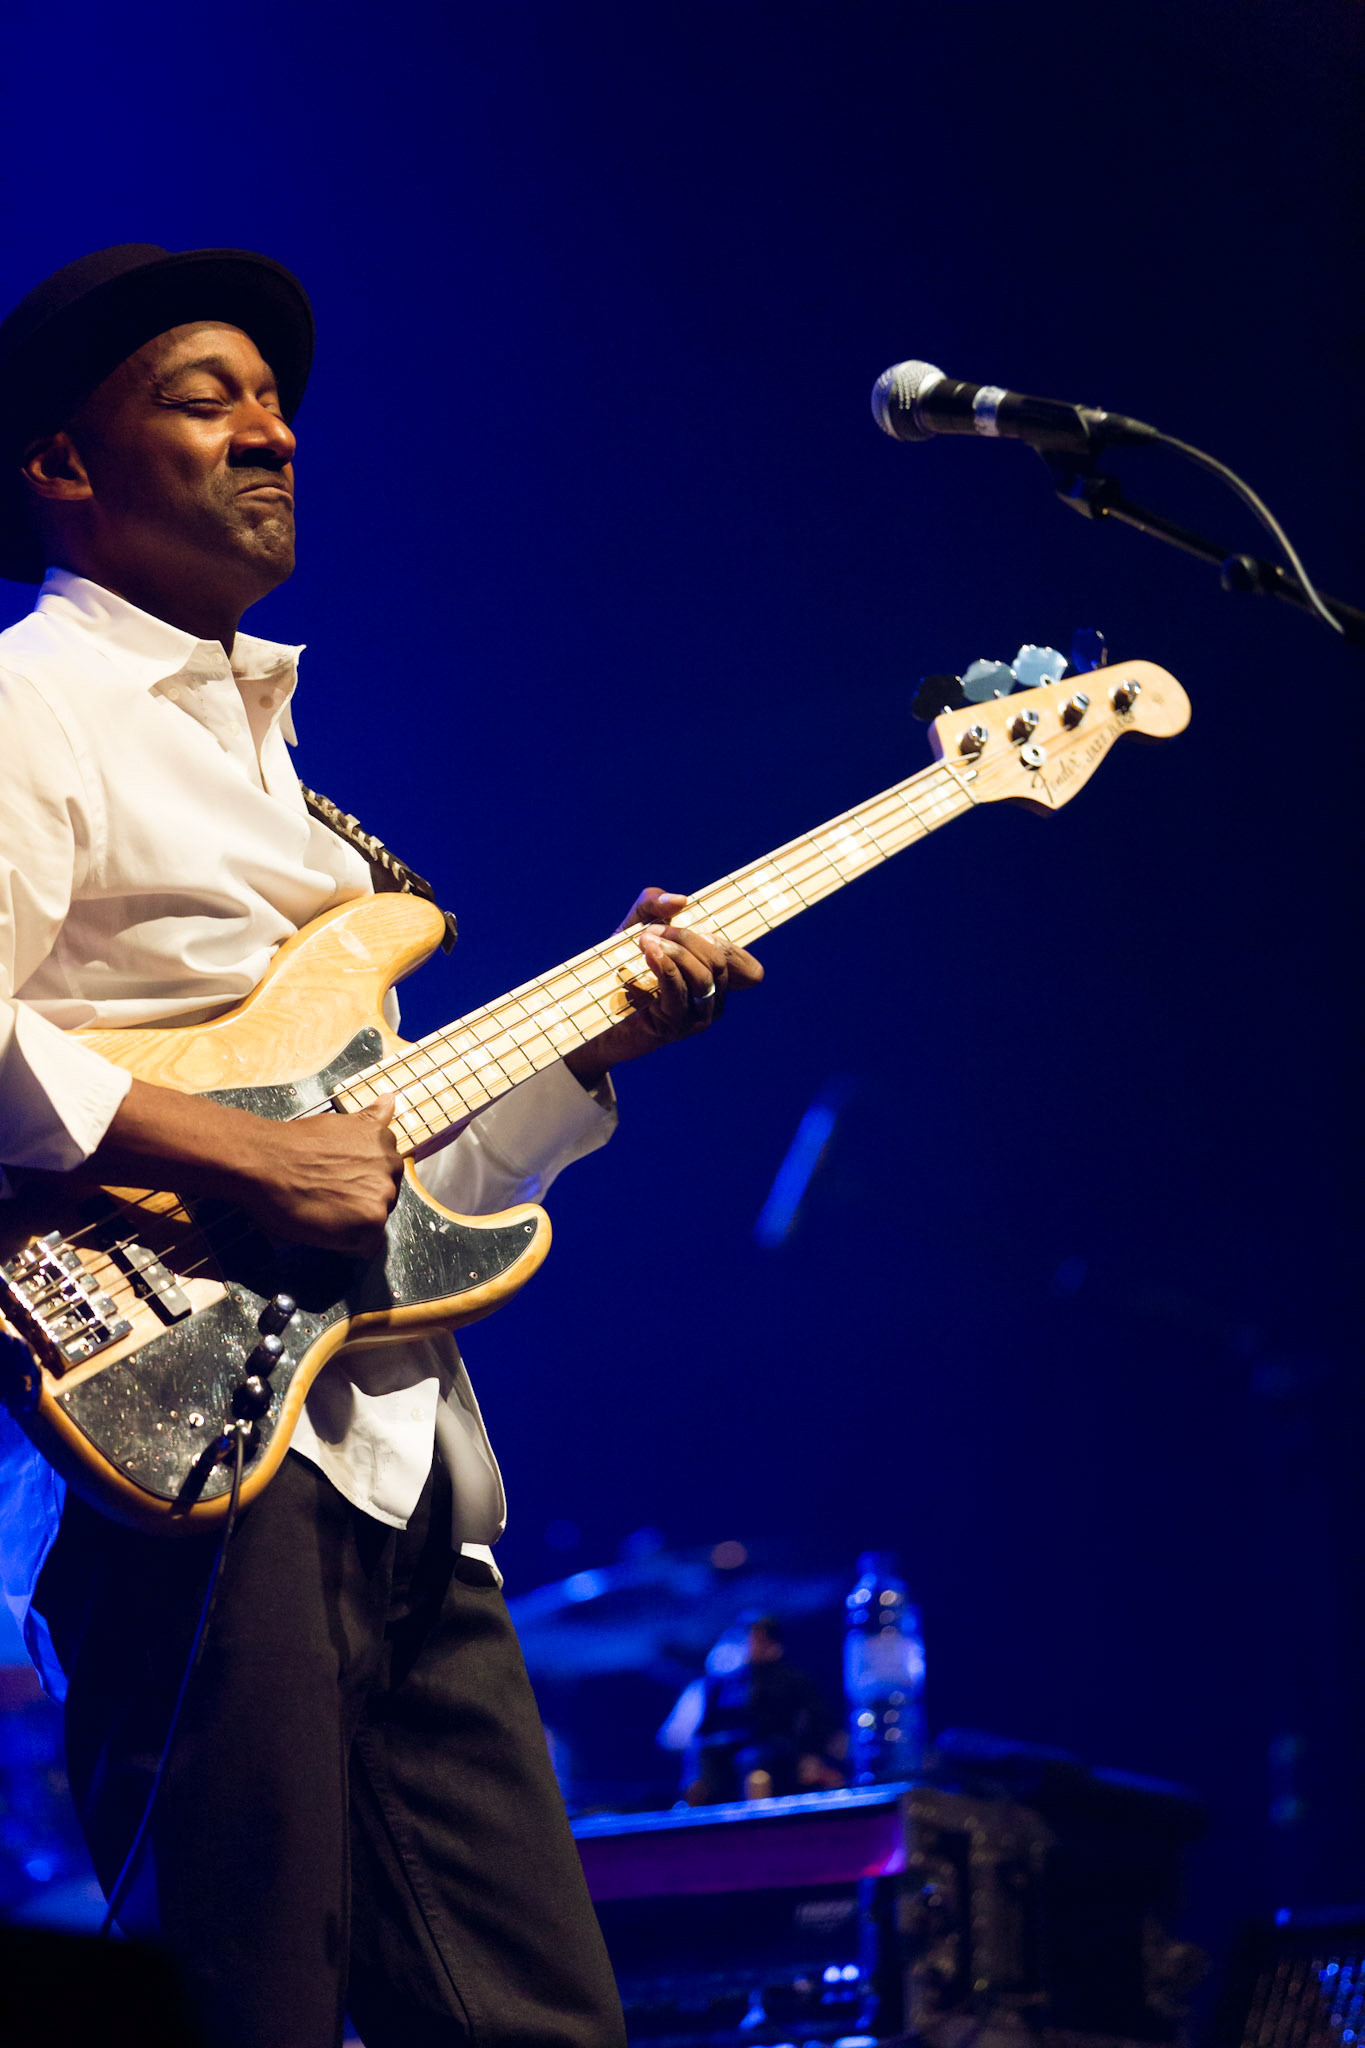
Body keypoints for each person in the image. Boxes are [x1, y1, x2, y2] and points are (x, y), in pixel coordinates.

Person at [0, 244, 763, 2048]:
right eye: (206, 395)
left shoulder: (283, 776)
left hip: (399, 1465)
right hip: (171, 1461)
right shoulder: (34, 703)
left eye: (278, 402)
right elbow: (284, 1159)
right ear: (63, 466)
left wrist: (602, 1046)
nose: (271, 431)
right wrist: (249, 1161)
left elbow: (392, 1179)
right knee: (237, 2006)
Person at [665, 1614, 844, 1805]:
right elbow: (707, 1725)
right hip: (731, 1743)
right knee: (704, 1753)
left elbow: (817, 1720)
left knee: (753, 1758)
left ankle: (755, 1815)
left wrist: (811, 1755)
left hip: (775, 1745)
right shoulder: (722, 1684)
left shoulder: (792, 1679)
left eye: (757, 1639)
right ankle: (693, 1809)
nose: (750, 1645)